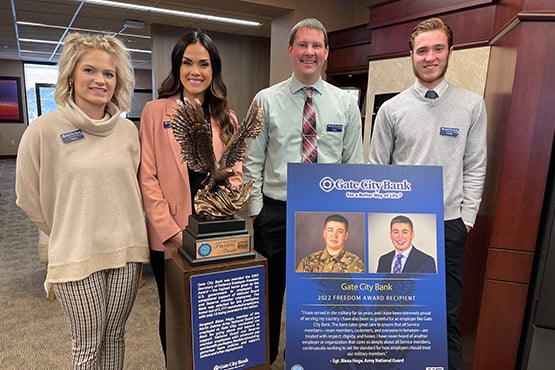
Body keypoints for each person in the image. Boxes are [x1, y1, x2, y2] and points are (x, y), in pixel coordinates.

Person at [15, 33, 149, 369]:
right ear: (71, 75)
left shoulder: (127, 132)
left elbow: (134, 187)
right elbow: (27, 196)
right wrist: (64, 229)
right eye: (90, 70)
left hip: (126, 251)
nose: (100, 80)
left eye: (109, 73)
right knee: (87, 345)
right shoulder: (44, 130)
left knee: (115, 335)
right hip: (75, 253)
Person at [368, 17, 487, 370]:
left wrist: (466, 219)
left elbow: (475, 165)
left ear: (450, 51)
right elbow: (377, 169)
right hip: (398, 227)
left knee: (444, 312)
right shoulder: (392, 109)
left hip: (449, 226)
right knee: (393, 312)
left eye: (437, 49)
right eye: (422, 50)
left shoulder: (471, 105)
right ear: (411, 55)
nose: (430, 57)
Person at [243, 18, 364, 364]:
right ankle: (264, 358)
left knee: (317, 297)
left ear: (326, 53)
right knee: (270, 295)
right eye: (303, 45)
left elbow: (352, 163)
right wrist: (257, 212)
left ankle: (307, 357)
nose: (309, 52)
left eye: (316, 46)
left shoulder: (345, 104)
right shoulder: (265, 101)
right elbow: (252, 161)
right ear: (290, 50)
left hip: (326, 216)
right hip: (276, 214)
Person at [138, 30, 242, 364]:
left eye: (203, 63)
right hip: (170, 235)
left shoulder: (227, 117)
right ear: (177, 66)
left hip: (214, 233)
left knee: (214, 313)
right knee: (175, 314)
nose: (195, 71)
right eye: (187, 63)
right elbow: (148, 177)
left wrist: (227, 201)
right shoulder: (156, 112)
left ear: (214, 70)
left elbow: (235, 174)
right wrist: (170, 231)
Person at [296, 214, 364, 273]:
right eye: (330, 230)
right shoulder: (307, 262)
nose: (334, 235)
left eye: (340, 231)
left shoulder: (356, 265)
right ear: (324, 233)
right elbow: (296, 286)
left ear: (346, 236)